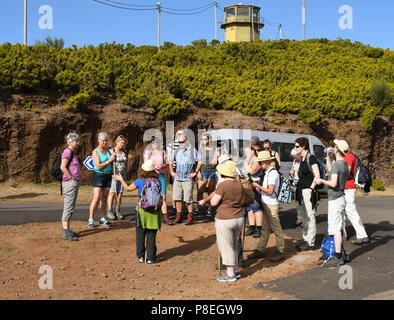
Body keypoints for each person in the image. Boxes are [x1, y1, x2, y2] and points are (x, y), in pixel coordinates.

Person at [114, 160, 161, 264]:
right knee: (151, 235)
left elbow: (127, 188)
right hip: (155, 212)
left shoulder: (140, 181)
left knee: (140, 233)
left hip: (141, 210)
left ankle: (141, 256)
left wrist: (121, 180)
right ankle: (151, 258)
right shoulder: (158, 181)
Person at [315, 139, 349, 267]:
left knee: (335, 229)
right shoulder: (343, 163)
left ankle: (338, 257)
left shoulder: (337, 165)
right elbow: (330, 170)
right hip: (341, 198)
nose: (332, 147)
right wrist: (328, 157)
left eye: (334, 146)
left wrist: (321, 180)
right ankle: (343, 253)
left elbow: (333, 183)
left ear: (337, 149)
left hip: (335, 199)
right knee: (341, 228)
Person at [210, 160, 245, 282]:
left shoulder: (223, 185)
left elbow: (213, 202)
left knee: (226, 246)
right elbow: (242, 201)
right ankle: (234, 270)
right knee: (235, 244)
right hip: (239, 217)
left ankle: (230, 274)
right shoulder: (239, 184)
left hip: (225, 218)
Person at [247, 151, 286, 262]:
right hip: (267, 203)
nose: (259, 165)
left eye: (260, 163)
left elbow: (270, 190)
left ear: (265, 162)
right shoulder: (269, 172)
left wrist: (257, 186)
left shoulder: (272, 173)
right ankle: (261, 249)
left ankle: (280, 250)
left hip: (271, 204)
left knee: (276, 228)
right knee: (265, 227)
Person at [169, 135, 202, 226]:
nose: (181, 144)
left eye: (182, 142)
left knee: (188, 199)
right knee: (177, 198)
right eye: (179, 142)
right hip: (178, 178)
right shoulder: (176, 150)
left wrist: (195, 172)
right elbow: (170, 161)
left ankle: (190, 217)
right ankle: (178, 216)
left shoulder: (192, 150)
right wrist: (172, 171)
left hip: (188, 178)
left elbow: (200, 161)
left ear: (186, 141)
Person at [294, 137, 320, 251]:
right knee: (304, 216)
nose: (295, 148)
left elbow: (317, 175)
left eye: (296, 146)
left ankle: (311, 242)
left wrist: (311, 188)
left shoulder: (311, 158)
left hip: (308, 191)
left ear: (303, 146)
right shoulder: (302, 158)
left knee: (310, 216)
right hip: (301, 190)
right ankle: (306, 239)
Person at [342, 143, 370, 245]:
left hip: (348, 186)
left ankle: (362, 235)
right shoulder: (349, 155)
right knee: (343, 211)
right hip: (347, 186)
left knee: (350, 211)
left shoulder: (349, 156)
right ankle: (342, 235)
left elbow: (347, 172)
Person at [88, 132, 115, 228]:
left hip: (108, 176)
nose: (105, 142)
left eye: (106, 141)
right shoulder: (95, 152)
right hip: (99, 176)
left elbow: (112, 160)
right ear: (99, 140)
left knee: (104, 198)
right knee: (96, 198)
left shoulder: (108, 151)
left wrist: (113, 157)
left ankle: (102, 218)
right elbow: (98, 166)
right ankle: (91, 219)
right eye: (103, 140)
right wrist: (109, 160)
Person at [144, 136, 171, 225]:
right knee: (151, 196)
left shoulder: (163, 152)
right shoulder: (148, 152)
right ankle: (151, 214)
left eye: (156, 142)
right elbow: (145, 164)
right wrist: (153, 166)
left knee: (163, 196)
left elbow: (167, 163)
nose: (155, 144)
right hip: (151, 175)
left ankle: (164, 216)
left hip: (160, 175)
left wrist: (162, 166)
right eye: (153, 142)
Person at [60, 133, 81, 241]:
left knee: (70, 206)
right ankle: (65, 231)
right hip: (70, 183)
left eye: (78, 141)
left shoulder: (71, 152)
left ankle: (67, 229)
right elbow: (62, 167)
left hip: (72, 183)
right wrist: (71, 177)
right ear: (70, 142)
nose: (78, 143)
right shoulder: (68, 152)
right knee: (68, 206)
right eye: (76, 141)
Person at [243, 145, 263, 238]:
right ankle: (252, 227)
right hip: (249, 185)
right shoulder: (250, 160)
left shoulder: (257, 160)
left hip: (257, 185)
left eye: (247, 152)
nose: (245, 154)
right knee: (249, 208)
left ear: (252, 151)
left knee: (257, 208)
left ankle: (259, 229)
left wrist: (246, 163)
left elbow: (252, 172)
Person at [107, 135, 127, 221]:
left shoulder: (124, 151)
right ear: (117, 142)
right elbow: (107, 162)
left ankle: (117, 210)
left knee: (120, 193)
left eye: (123, 143)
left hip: (122, 175)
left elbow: (126, 162)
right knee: (112, 193)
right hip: (114, 174)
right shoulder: (111, 151)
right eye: (121, 142)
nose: (122, 144)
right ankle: (110, 211)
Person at [197, 133, 217, 217]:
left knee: (211, 191)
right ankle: (199, 208)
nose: (203, 141)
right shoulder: (201, 149)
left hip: (212, 172)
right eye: (202, 139)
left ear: (209, 140)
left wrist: (216, 157)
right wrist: (198, 172)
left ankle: (210, 209)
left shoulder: (215, 149)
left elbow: (214, 163)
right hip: (203, 171)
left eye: (205, 139)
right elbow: (199, 161)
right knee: (200, 191)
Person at [166, 129, 185, 215]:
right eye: (178, 134)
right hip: (175, 168)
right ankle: (174, 207)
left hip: (184, 168)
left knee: (183, 189)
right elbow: (169, 157)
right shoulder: (171, 144)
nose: (180, 135)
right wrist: (171, 170)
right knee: (175, 189)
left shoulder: (187, 143)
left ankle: (182, 207)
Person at [289, 148, 302, 227]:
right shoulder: (295, 161)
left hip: (302, 183)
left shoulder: (303, 161)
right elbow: (292, 170)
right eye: (293, 157)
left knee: (303, 203)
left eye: (295, 156)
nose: (294, 158)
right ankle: (299, 219)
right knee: (297, 202)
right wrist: (291, 174)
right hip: (295, 183)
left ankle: (304, 220)